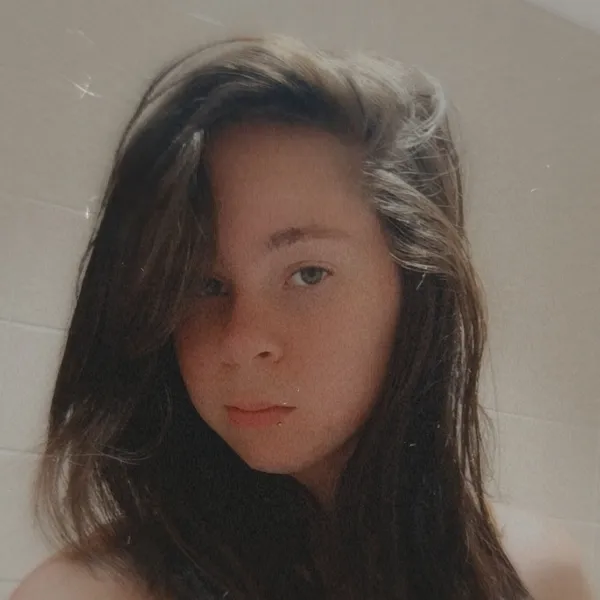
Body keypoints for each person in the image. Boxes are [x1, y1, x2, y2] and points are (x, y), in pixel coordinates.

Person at [11, 35, 592, 600]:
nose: (241, 340)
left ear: (418, 292)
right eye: (203, 285)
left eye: (308, 273)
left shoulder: (535, 575)